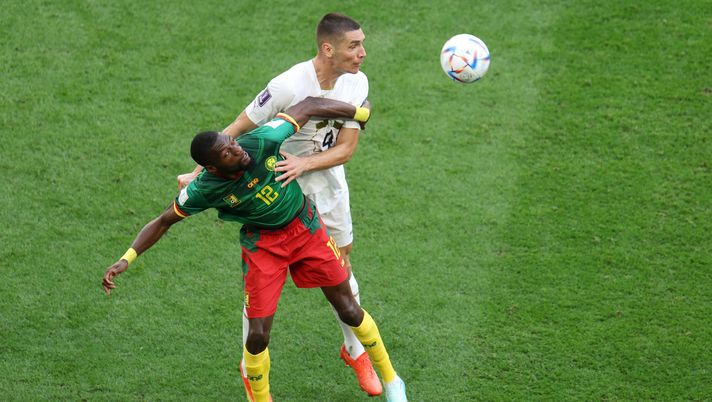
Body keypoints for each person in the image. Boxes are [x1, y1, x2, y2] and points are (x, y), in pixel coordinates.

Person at [102, 97, 407, 402]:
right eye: (227, 152)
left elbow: (310, 104)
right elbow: (162, 221)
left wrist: (360, 113)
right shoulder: (204, 189)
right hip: (264, 246)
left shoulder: (261, 141)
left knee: (349, 309)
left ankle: (392, 381)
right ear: (211, 167)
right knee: (257, 335)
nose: (237, 149)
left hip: (306, 228)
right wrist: (126, 258)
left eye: (232, 142)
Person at [177, 13, 379, 396]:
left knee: (342, 265)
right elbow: (237, 128)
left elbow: (347, 148)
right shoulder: (286, 86)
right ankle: (248, 360)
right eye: (354, 45)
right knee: (260, 284)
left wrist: (306, 162)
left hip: (327, 185)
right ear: (327, 48)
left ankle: (354, 350)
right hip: (273, 185)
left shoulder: (358, 82)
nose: (362, 53)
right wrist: (197, 172)